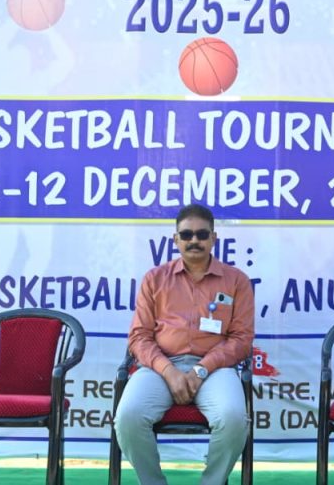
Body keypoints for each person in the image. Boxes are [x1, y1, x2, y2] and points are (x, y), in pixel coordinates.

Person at [114, 204, 254, 485]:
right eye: (187, 234)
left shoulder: (236, 281)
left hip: (216, 369)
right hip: (160, 367)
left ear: (214, 238)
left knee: (233, 418)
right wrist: (168, 371)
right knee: (128, 417)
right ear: (175, 239)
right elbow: (139, 337)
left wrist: (201, 370)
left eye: (202, 234)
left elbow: (241, 339)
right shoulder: (155, 279)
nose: (194, 240)